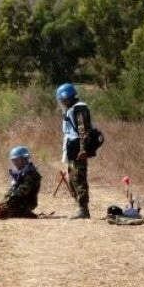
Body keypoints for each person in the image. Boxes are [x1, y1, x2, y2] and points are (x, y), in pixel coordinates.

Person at [56, 83, 92, 219]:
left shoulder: (79, 108)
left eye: (62, 99)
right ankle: (79, 206)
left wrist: (83, 149)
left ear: (67, 97)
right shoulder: (71, 108)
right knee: (72, 179)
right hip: (72, 148)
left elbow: (83, 130)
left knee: (79, 178)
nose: (61, 102)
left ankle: (83, 209)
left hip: (78, 148)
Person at [0, 146, 42, 219]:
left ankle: (25, 213)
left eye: (17, 160)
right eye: (14, 160)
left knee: (9, 208)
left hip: (27, 201)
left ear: (24, 159)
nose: (15, 163)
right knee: (2, 207)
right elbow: (12, 189)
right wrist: (4, 200)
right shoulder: (20, 173)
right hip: (17, 200)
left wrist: (8, 201)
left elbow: (23, 191)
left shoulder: (32, 174)